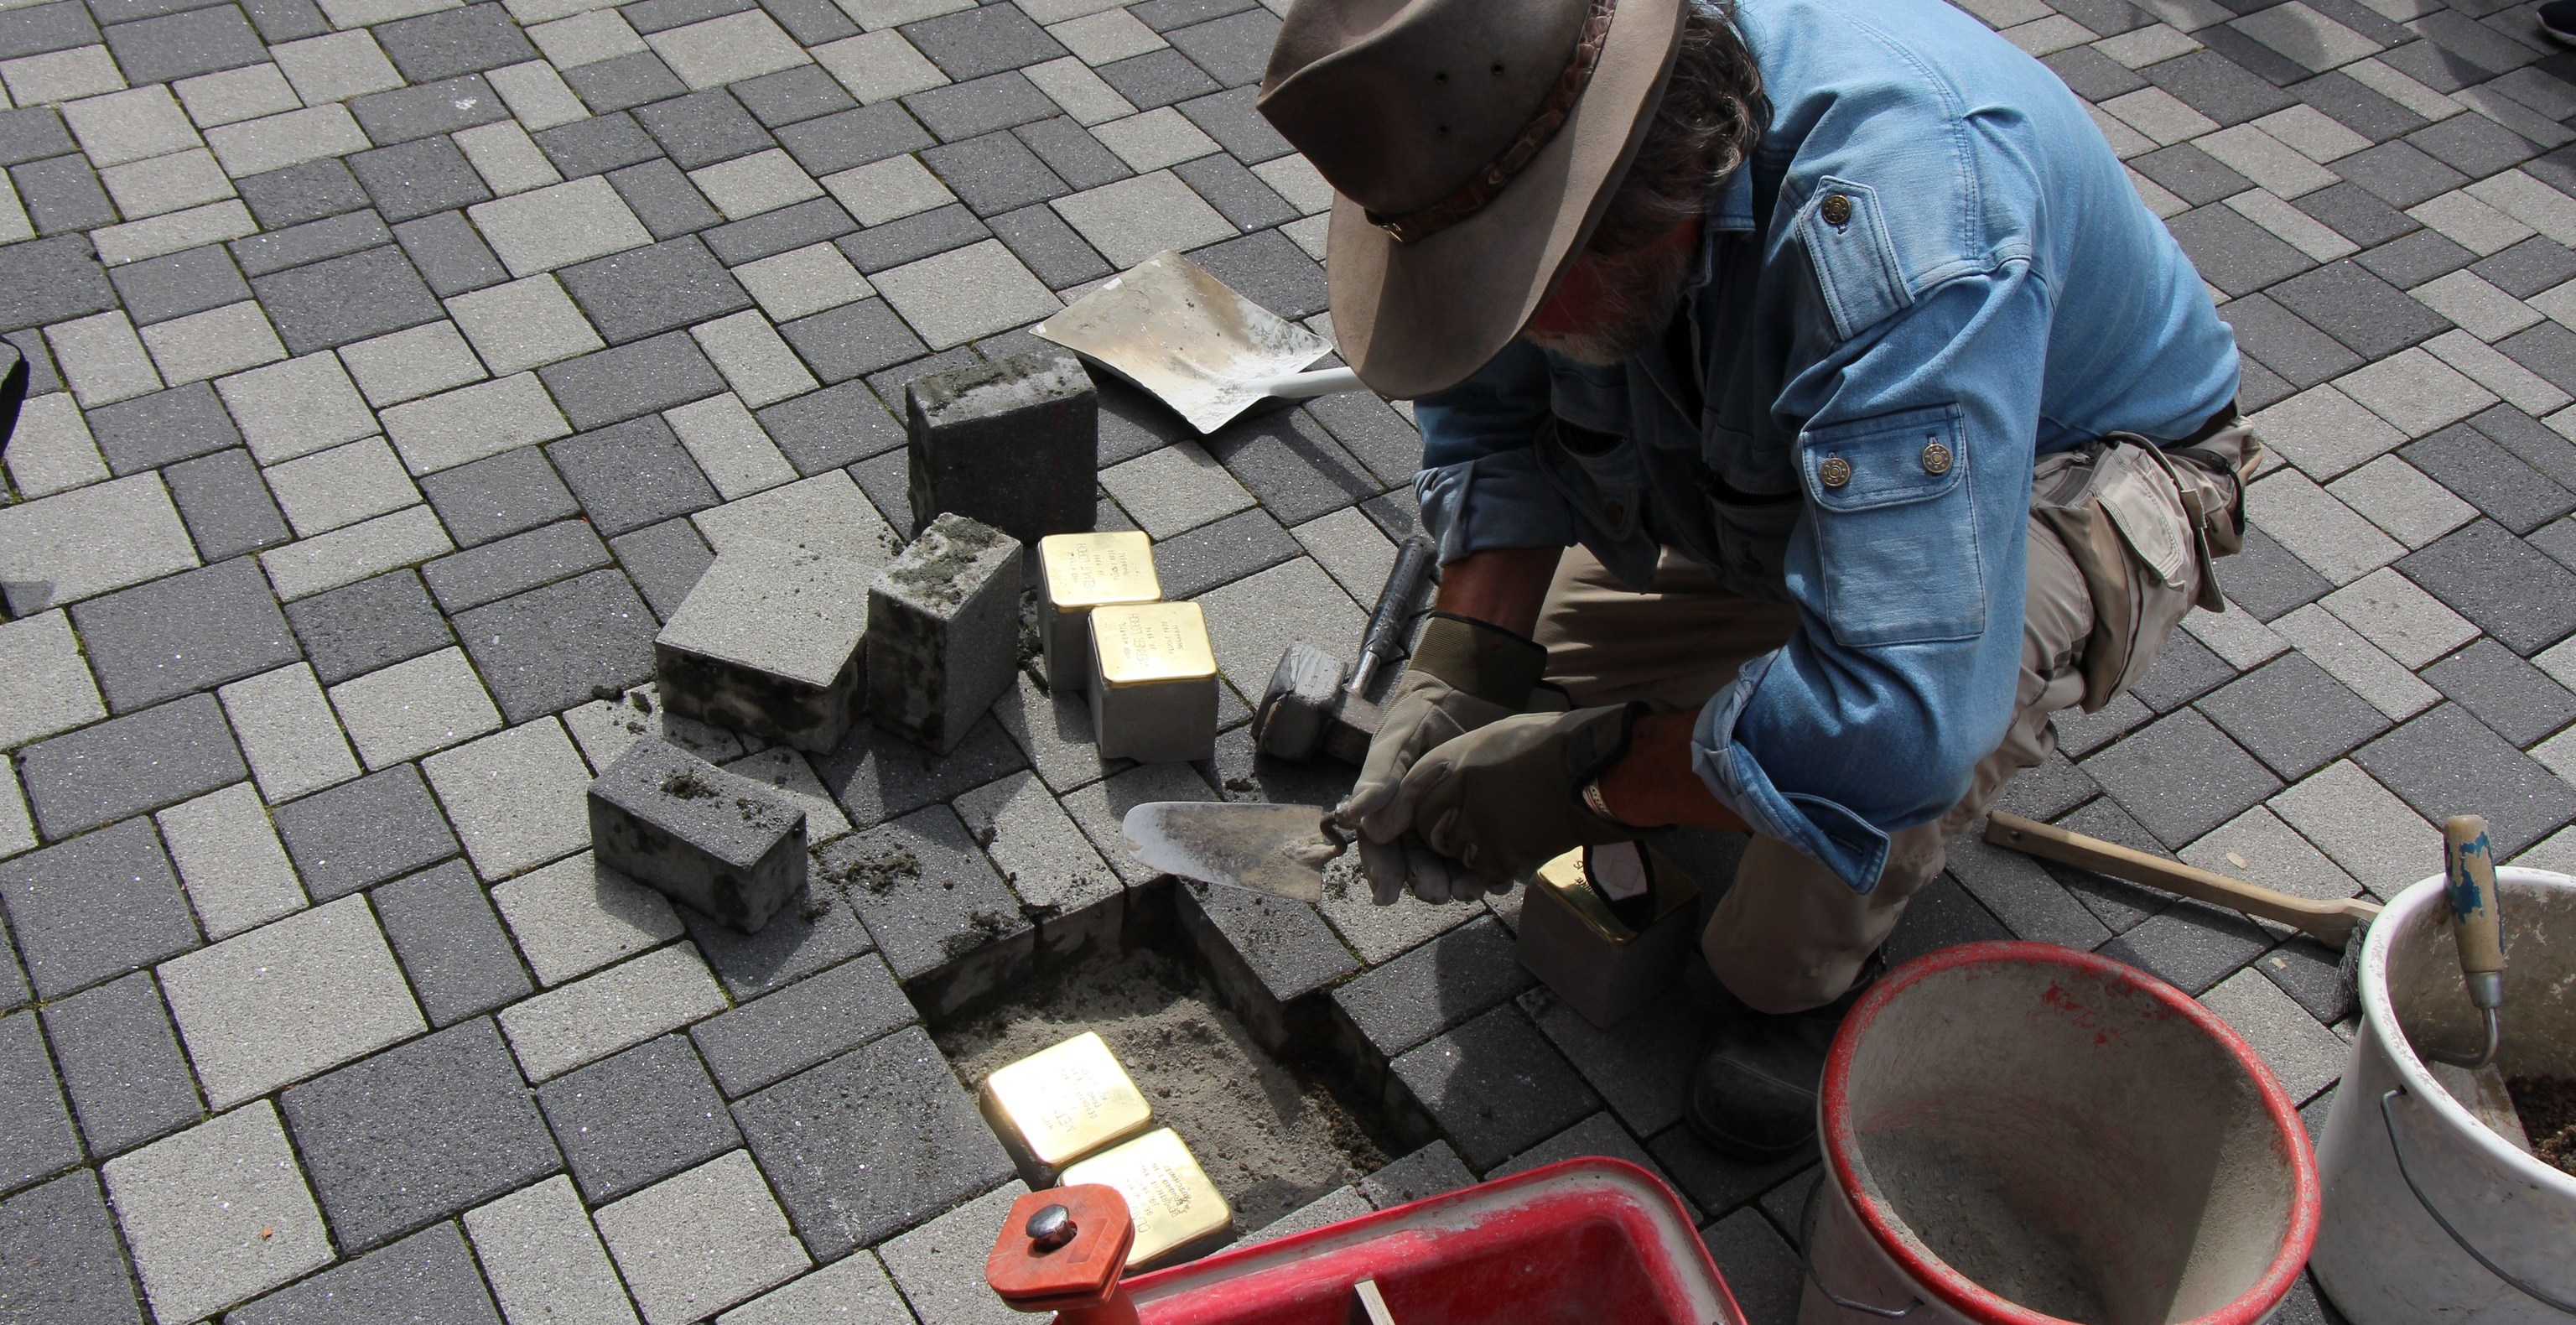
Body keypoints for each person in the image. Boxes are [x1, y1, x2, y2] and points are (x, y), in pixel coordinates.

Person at [1254, 0, 2262, 1159]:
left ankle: (1812, 993)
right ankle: (1794, 638)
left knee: (1777, 918)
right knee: (1545, 691)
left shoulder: (1900, 226)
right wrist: (1465, 668)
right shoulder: (1507, 119)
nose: (1503, 321)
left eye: (1516, 287)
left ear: (1651, 197)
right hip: (1818, 455)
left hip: (2066, 465)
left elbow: (1900, 716)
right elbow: (1493, 421)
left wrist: (1592, 779)